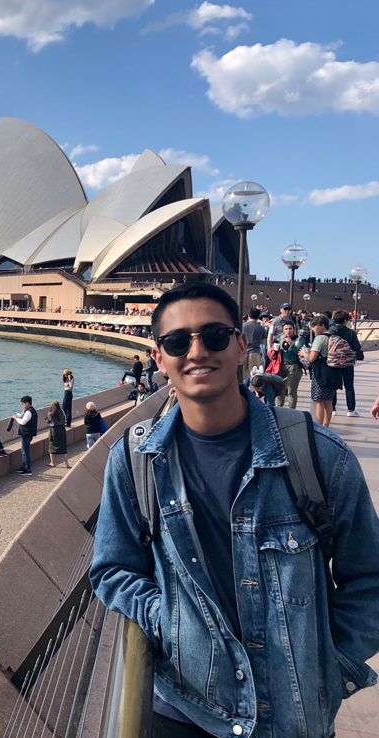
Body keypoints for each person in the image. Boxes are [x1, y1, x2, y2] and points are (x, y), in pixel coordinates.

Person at [90, 282, 379, 738]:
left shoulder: (320, 456)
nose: (197, 351)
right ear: (159, 357)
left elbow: (371, 579)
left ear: (243, 344)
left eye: (215, 336)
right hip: (184, 711)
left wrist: (328, 663)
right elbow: (112, 568)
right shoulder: (135, 461)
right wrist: (168, 622)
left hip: (292, 716)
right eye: (178, 341)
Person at [301, 314, 342, 428]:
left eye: (314, 326)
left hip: (320, 373)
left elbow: (312, 358)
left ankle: (318, 426)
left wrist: (304, 354)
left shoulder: (320, 338)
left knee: (318, 400)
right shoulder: (333, 337)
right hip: (333, 371)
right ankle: (326, 425)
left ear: (322, 326)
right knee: (328, 400)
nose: (313, 329)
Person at [330, 309, 363, 417]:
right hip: (347, 362)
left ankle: (333, 408)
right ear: (345, 320)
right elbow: (356, 348)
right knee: (349, 386)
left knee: (333, 385)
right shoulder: (350, 333)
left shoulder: (330, 331)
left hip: (333, 362)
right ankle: (351, 410)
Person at [274, 320, 305, 408]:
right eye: (286, 329)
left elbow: (300, 352)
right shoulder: (280, 339)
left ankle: (292, 411)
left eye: (290, 328)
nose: (288, 331)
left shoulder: (299, 339)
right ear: (283, 330)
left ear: (294, 329)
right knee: (280, 390)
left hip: (294, 366)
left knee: (291, 391)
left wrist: (292, 344)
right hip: (282, 365)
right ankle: (279, 409)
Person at [13, 396, 38, 476]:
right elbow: (22, 415)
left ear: (27, 403)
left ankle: (27, 469)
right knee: (23, 451)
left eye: (23, 404)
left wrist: (16, 419)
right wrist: (18, 416)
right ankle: (24, 467)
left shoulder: (29, 412)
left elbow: (23, 422)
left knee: (25, 452)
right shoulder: (30, 411)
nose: (22, 405)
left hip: (26, 434)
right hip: (27, 433)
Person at [241, 307, 266, 373]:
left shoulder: (242, 326)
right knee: (254, 375)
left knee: (241, 374)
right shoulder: (261, 328)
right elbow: (262, 342)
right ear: (258, 317)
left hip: (242, 351)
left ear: (248, 316)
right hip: (255, 352)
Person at [46, 401, 69, 468]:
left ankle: (52, 463)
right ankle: (67, 464)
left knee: (51, 446)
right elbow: (65, 420)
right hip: (62, 429)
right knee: (63, 447)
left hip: (54, 430)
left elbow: (48, 421)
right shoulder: (62, 411)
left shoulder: (50, 413)